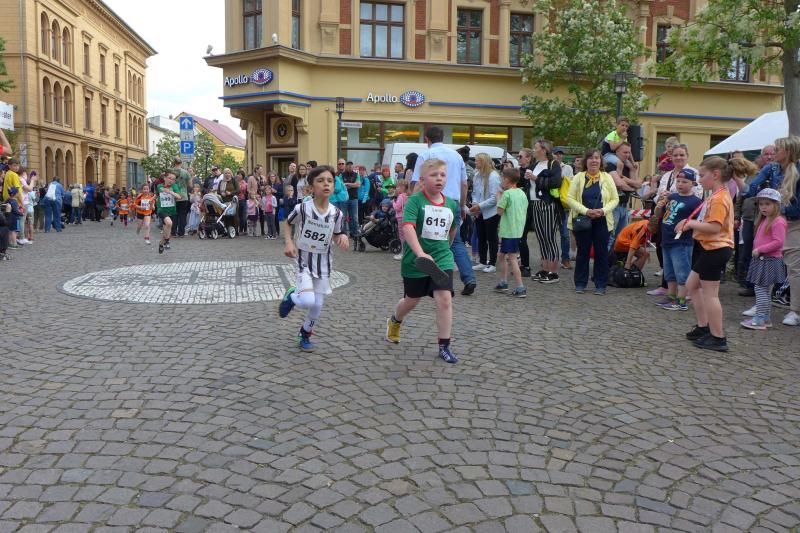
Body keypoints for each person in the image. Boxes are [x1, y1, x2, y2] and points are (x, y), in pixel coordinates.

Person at [386, 158, 459, 364]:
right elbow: (408, 227)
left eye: (443, 175)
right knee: (412, 300)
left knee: (445, 299)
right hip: (416, 261)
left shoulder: (451, 204)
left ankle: (444, 346)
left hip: (441, 258)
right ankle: (395, 320)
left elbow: (452, 230)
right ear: (422, 179)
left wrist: (446, 250)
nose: (439, 179)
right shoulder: (415, 201)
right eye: (434, 175)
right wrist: (420, 253)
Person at [278, 165, 349, 352]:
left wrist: (342, 237)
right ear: (310, 188)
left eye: (330, 181)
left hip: (324, 265)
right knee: (308, 301)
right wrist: (289, 243)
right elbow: (288, 223)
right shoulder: (303, 208)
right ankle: (292, 296)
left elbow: (336, 234)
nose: (326, 184)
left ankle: (305, 334)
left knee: (317, 306)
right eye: (320, 180)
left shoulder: (336, 213)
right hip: (304, 262)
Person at [678, 156, 737, 352]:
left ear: (716, 175)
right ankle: (704, 327)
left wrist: (690, 224)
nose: (699, 180)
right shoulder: (717, 194)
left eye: (702, 175)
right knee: (692, 285)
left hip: (716, 248)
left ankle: (718, 337)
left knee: (711, 294)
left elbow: (714, 227)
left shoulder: (719, 198)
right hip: (709, 248)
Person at [411, 126, 476, 295]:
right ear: (443, 137)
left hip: (430, 202)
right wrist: (462, 205)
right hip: (452, 202)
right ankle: (468, 278)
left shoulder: (425, 155)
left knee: (426, 238)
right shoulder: (457, 156)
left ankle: (427, 278)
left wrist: (412, 203)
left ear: (427, 139)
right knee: (456, 242)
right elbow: (464, 184)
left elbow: (416, 183)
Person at [742, 136, 800, 326]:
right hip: (772, 220)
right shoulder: (772, 168)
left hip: (794, 222)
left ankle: (796, 311)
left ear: (788, 152)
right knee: (765, 262)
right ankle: (762, 306)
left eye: (777, 149)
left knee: (794, 267)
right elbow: (752, 188)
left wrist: (779, 209)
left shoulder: (798, 170)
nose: (773, 153)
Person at [566, 148, 619, 294]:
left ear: (601, 161)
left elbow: (615, 199)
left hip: (602, 220)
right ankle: (580, 283)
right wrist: (586, 211)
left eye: (597, 158)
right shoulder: (578, 177)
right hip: (583, 220)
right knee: (582, 252)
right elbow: (570, 198)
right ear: (586, 161)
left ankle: (600, 284)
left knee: (601, 253)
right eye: (591, 158)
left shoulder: (607, 177)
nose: (594, 160)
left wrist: (603, 210)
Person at [651, 168, 703, 311]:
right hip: (667, 239)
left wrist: (689, 225)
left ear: (693, 183)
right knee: (669, 272)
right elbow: (660, 214)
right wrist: (659, 206)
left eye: (684, 182)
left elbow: (700, 221)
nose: (680, 184)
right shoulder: (672, 197)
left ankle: (681, 300)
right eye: (678, 181)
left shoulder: (696, 202)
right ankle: (671, 295)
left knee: (682, 272)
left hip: (682, 242)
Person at [740, 189, 787, 329]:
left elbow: (779, 242)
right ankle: (765, 318)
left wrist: (760, 249)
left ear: (776, 205)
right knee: (764, 290)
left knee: (760, 290)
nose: (763, 207)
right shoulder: (765, 219)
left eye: (767, 204)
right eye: (761, 204)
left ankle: (760, 318)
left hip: (769, 260)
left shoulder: (778, 221)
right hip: (762, 260)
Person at [525, 139, 563, 283]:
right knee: (541, 237)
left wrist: (535, 178)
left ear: (544, 150)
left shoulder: (553, 164)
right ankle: (545, 269)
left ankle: (553, 272)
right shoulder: (534, 164)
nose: (533, 150)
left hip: (548, 204)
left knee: (550, 237)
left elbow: (556, 183)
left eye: (536, 148)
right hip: (535, 203)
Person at [735, 147, 772, 295]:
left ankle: (766, 287)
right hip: (749, 218)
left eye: (772, 154)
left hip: (767, 219)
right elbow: (742, 195)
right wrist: (737, 216)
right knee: (748, 251)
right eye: (766, 154)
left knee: (765, 251)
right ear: (761, 157)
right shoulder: (753, 175)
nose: (769, 157)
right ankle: (750, 285)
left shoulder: (778, 174)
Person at [494, 167, 528, 297]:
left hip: (509, 231)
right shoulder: (522, 193)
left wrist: (498, 197)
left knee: (512, 258)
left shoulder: (507, 194)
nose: (501, 182)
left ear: (507, 180)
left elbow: (499, 211)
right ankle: (503, 282)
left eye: (502, 179)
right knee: (501, 255)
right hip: (518, 230)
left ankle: (520, 287)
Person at [469, 153, 501, 273]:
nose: (475, 163)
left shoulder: (493, 176)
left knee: (491, 238)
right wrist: (475, 203)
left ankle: (492, 263)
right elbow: (474, 193)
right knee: (481, 236)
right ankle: (482, 261)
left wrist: (479, 206)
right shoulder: (477, 175)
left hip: (491, 212)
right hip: (480, 211)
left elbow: (494, 198)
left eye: (477, 161)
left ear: (483, 162)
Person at [607, 142, 642, 249]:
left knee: (621, 237)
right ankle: (604, 259)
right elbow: (620, 184)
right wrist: (631, 188)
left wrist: (630, 172)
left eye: (629, 153)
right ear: (617, 151)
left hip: (624, 206)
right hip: (613, 207)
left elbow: (638, 185)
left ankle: (616, 258)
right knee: (610, 237)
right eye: (625, 152)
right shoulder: (610, 165)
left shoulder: (627, 166)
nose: (627, 155)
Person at [554, 147, 574, 269]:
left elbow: (570, 185)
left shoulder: (568, 168)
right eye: (556, 153)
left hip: (563, 204)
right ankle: (549, 257)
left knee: (565, 234)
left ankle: (565, 258)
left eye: (560, 154)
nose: (559, 156)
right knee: (549, 235)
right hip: (551, 203)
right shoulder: (549, 166)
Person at [156, 171, 182, 254]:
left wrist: (170, 192)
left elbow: (179, 197)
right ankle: (167, 241)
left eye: (173, 179)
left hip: (172, 211)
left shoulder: (175, 186)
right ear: (165, 178)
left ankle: (161, 244)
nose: (171, 180)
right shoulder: (159, 186)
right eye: (169, 178)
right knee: (169, 223)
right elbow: (160, 191)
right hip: (161, 210)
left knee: (166, 231)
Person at [340, 161, 361, 237]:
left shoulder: (356, 175)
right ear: (346, 166)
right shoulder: (341, 175)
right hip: (344, 199)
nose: (349, 167)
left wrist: (347, 184)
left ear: (353, 166)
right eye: (348, 165)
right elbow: (341, 185)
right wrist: (352, 185)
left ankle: (354, 234)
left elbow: (358, 185)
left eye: (351, 165)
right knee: (343, 217)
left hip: (354, 198)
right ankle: (344, 234)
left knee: (354, 217)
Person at [172, 157, 191, 237]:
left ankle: (173, 232)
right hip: (183, 196)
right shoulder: (186, 172)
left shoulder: (170, 171)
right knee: (182, 215)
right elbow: (190, 185)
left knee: (174, 214)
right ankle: (181, 233)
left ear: (174, 163)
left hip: (173, 195)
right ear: (181, 163)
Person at [392, 179, 409, 260]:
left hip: (400, 217)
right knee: (406, 235)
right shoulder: (407, 196)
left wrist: (393, 202)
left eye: (397, 187)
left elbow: (397, 207)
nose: (396, 188)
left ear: (402, 187)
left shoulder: (401, 196)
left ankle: (403, 253)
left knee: (402, 236)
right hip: (406, 216)